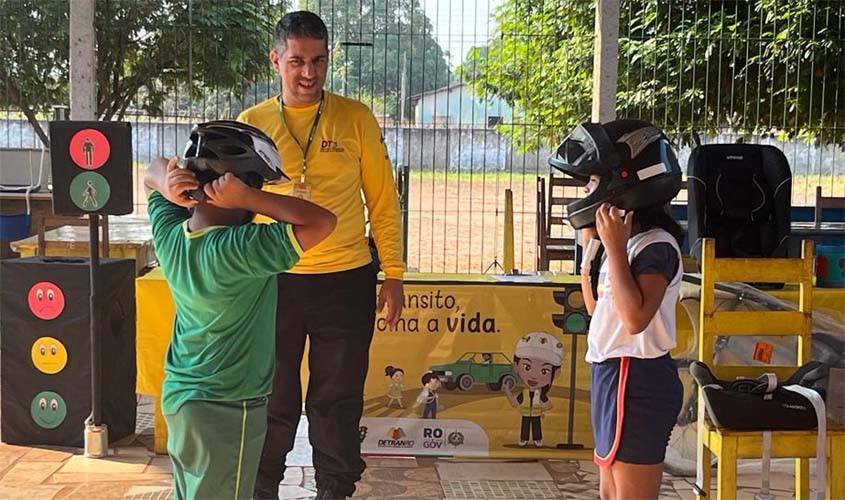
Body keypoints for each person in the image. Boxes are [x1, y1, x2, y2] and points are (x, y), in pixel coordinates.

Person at [237, 10, 405, 500]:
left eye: (318, 61)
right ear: (276, 60)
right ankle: (262, 485)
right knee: (273, 395)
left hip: (346, 279)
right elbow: (235, 208)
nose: (308, 73)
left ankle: (335, 487)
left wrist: (392, 273)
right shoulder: (253, 123)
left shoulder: (355, 117)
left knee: (337, 396)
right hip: (273, 279)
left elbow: (383, 201)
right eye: (297, 61)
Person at [144, 120, 336, 500]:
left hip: (183, 398)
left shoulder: (171, 236)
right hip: (227, 409)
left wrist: (167, 183)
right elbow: (322, 221)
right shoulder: (242, 249)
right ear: (236, 186)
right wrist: (249, 199)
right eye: (256, 186)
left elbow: (151, 170)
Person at [549, 119, 685, 499]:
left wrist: (613, 248)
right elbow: (600, 312)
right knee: (611, 493)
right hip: (612, 375)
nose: (588, 192)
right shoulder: (626, 246)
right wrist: (593, 252)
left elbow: (635, 318)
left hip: (638, 380)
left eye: (593, 182)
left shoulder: (656, 246)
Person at [503, 332, 563, 447]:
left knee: (536, 427)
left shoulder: (541, 394)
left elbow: (548, 405)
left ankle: (537, 439)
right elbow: (515, 403)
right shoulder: (524, 393)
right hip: (525, 414)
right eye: (527, 367)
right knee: (525, 426)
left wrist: (541, 411)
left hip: (536, 415)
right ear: (516, 366)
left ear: (556, 373)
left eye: (544, 371)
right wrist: (507, 391)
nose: (534, 376)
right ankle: (523, 439)